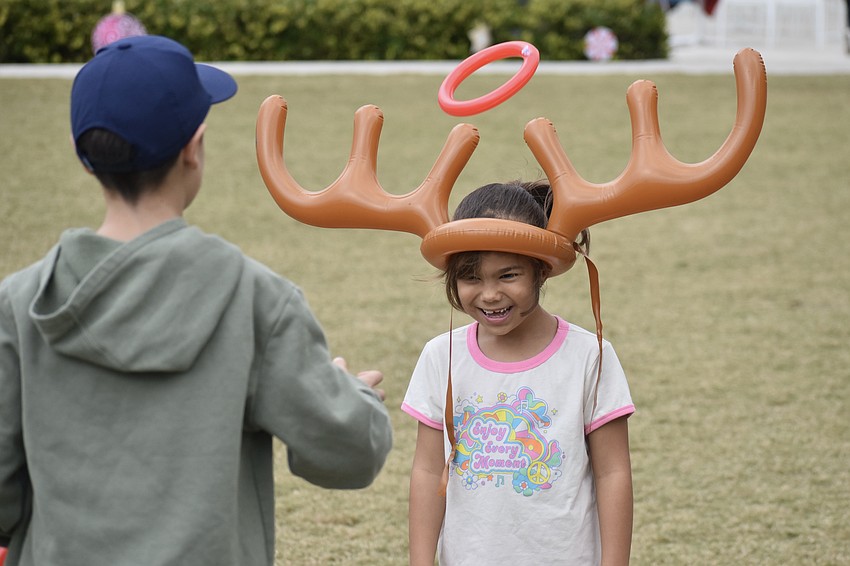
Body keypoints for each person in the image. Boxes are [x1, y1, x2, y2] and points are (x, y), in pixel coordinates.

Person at [0, 35, 392, 566]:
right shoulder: (257, 298)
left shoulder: (16, 304)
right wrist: (353, 397)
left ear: (84, 157)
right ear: (194, 146)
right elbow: (348, 454)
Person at [402, 181, 634, 565]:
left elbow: (613, 474)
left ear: (540, 271)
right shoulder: (440, 355)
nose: (489, 294)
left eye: (507, 275)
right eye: (471, 278)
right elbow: (427, 470)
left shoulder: (588, 356)